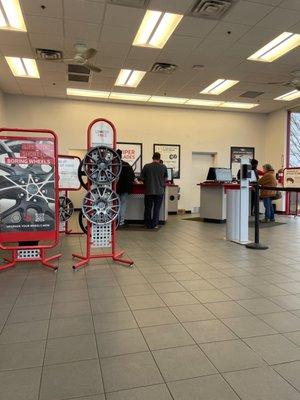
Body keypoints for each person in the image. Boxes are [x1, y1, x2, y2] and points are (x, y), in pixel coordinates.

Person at [140, 152, 167, 229]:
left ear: (152, 157)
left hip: (149, 190)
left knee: (148, 208)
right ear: (159, 158)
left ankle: (147, 224)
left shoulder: (147, 166)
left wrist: (147, 181)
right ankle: (154, 224)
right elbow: (165, 179)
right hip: (159, 191)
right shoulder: (163, 167)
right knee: (156, 208)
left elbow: (141, 178)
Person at [116, 149, 136, 227]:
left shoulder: (113, 165)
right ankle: (121, 221)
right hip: (125, 188)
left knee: (116, 204)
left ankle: (116, 221)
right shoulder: (127, 165)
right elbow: (132, 176)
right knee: (123, 204)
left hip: (116, 188)